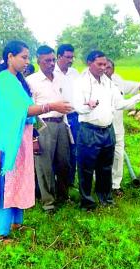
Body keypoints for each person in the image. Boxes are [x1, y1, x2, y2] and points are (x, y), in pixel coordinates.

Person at [0, 41, 72, 242]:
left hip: (19, 139)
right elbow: (21, 110)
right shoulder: (4, 80)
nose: (26, 61)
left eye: (27, 57)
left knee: (18, 181)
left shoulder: (16, 80)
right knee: (4, 184)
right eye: (23, 57)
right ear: (10, 57)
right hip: (6, 141)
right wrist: (51, 106)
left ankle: (16, 223)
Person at [73, 50, 140, 210]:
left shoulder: (108, 82)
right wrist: (87, 105)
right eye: (100, 64)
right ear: (89, 63)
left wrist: (139, 97)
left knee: (105, 167)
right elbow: (77, 107)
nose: (103, 68)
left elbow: (119, 104)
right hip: (89, 130)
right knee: (86, 168)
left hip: (108, 131)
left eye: (105, 64)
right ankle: (87, 203)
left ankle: (105, 199)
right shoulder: (80, 82)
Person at [105, 58, 140, 196]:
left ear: (113, 69)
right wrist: (138, 98)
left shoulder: (117, 81)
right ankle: (101, 183)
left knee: (118, 156)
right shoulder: (94, 84)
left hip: (117, 127)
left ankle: (115, 185)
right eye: (102, 66)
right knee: (102, 156)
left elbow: (137, 85)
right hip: (101, 127)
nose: (105, 70)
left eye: (108, 67)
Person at [26, 45, 72, 212]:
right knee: (44, 166)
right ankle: (48, 203)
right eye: (47, 60)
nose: (51, 63)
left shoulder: (60, 79)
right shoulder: (31, 81)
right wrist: (34, 137)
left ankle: (63, 196)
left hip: (61, 124)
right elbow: (29, 111)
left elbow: (67, 101)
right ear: (38, 61)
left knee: (64, 164)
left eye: (53, 60)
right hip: (43, 126)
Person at [54, 44, 80, 187]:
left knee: (74, 150)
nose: (71, 60)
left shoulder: (75, 73)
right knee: (58, 152)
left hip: (74, 117)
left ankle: (70, 181)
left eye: (72, 57)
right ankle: (56, 181)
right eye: (68, 57)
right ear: (59, 57)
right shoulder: (52, 72)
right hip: (58, 118)